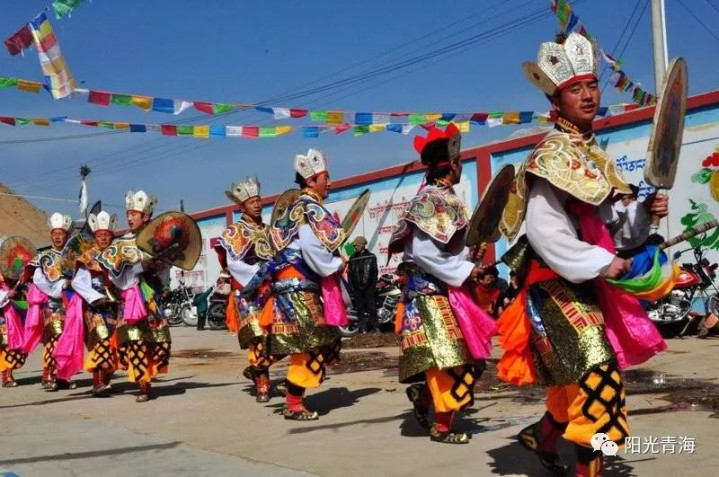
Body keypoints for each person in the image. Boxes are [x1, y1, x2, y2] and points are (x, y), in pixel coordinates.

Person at [497, 32, 669, 476]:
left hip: (585, 282)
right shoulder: (552, 155)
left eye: (592, 85)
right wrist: (600, 261)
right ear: (557, 99)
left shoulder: (593, 154)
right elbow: (544, 231)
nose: (588, 94)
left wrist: (646, 215)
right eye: (576, 88)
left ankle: (543, 435)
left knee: (575, 382)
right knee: (599, 380)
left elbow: (619, 230)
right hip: (553, 284)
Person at [387, 124, 496, 444]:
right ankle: (443, 425)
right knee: (451, 358)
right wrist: (465, 270)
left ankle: (426, 399)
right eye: (460, 160)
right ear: (450, 165)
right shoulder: (429, 202)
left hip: (448, 289)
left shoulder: (446, 199)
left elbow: (454, 250)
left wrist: (472, 266)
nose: (462, 166)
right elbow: (423, 253)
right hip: (429, 294)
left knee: (470, 360)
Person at [264, 148, 346, 420]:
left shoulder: (295, 207)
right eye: (326, 177)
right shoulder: (310, 208)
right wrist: (336, 265)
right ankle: (293, 403)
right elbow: (313, 250)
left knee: (317, 343)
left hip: (292, 286)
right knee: (312, 345)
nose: (330, 182)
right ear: (310, 181)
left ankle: (292, 398)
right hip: (298, 286)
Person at [96, 190, 171, 402]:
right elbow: (116, 277)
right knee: (137, 342)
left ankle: (146, 375)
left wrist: (160, 267)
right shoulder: (120, 244)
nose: (129, 218)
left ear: (146, 216)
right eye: (128, 213)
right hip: (131, 301)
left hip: (154, 300)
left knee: (161, 346)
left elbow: (165, 272)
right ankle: (143, 385)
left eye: (133, 214)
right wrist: (139, 268)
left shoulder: (157, 241)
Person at [214, 176, 281, 402]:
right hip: (248, 292)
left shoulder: (270, 230)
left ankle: (256, 370)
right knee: (257, 338)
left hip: (270, 290)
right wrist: (258, 276)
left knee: (279, 336)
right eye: (252, 202)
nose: (257, 204)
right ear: (241, 206)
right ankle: (262, 384)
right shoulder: (235, 232)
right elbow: (234, 264)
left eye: (259, 200)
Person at [68, 211, 120, 397]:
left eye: (107, 235)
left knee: (114, 343)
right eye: (100, 235)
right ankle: (97, 382)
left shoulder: (118, 255)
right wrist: (94, 297)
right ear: (95, 236)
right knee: (100, 340)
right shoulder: (88, 256)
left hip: (114, 306)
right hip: (95, 306)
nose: (103, 238)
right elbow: (77, 282)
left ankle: (105, 380)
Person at [23, 212, 75, 391]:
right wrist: (61, 286)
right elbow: (38, 281)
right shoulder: (43, 257)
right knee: (54, 339)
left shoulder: (74, 256)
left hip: (71, 306)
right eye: (55, 233)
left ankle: (63, 376)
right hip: (52, 306)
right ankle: (48, 374)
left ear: (67, 235)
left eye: (61, 233)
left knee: (67, 340)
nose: (58, 236)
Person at [348, 236, 379, 333]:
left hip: (369, 288)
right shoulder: (352, 258)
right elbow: (350, 274)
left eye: (357, 245)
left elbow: (375, 272)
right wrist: (353, 287)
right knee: (360, 309)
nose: (355, 247)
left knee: (371, 308)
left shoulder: (371, 256)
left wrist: (372, 286)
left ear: (362, 245)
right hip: (357, 288)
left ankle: (376, 327)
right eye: (354, 245)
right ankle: (362, 328)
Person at [0, 274, 27, 387]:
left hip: (13, 314)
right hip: (2, 317)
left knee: (19, 345)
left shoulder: (6, 272)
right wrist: (6, 294)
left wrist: (19, 282)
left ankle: (8, 373)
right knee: (6, 345)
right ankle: (6, 376)